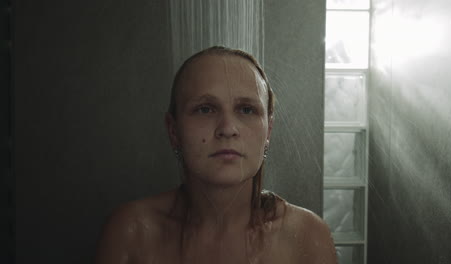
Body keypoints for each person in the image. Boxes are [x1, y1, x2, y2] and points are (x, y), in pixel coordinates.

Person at [95, 46, 337, 264]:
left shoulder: (307, 237)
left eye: (246, 109)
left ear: (268, 131)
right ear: (173, 130)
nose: (228, 128)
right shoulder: (132, 233)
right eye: (205, 109)